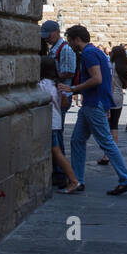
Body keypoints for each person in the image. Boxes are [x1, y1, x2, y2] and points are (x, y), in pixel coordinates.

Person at [59, 26, 127, 196]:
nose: (69, 44)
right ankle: (77, 180)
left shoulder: (88, 53)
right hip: (92, 104)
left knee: (106, 141)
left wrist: (73, 89)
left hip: (94, 104)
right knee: (77, 141)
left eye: (70, 40)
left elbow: (97, 78)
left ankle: (126, 179)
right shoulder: (98, 52)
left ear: (77, 39)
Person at [39, 57, 81, 194]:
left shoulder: (43, 84)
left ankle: (73, 180)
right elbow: (63, 104)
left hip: (50, 122)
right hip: (56, 121)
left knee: (57, 152)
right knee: (56, 151)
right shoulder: (56, 84)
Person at [41, 20, 76, 181]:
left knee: (57, 134)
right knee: (56, 133)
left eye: (48, 35)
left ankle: (61, 173)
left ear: (56, 32)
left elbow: (69, 72)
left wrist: (51, 76)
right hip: (57, 92)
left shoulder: (65, 49)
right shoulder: (55, 48)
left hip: (62, 96)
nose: (46, 39)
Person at [99, 45, 127, 166]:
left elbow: (110, 82)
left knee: (107, 127)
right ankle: (114, 152)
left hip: (110, 96)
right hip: (119, 98)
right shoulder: (125, 67)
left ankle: (107, 155)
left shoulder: (111, 66)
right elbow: (125, 84)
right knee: (114, 125)